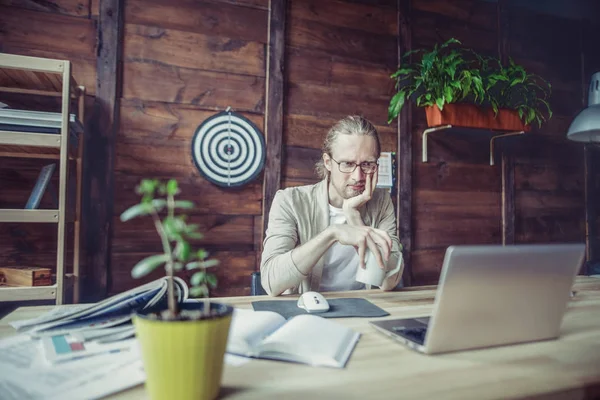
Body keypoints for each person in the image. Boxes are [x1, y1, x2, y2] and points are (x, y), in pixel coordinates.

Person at [260, 115, 404, 296]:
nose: (358, 176)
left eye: (367, 164)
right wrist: (332, 233)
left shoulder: (381, 201)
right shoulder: (290, 201)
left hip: (365, 310)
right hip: (309, 313)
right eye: (347, 164)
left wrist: (354, 217)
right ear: (328, 162)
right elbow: (271, 282)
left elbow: (389, 282)